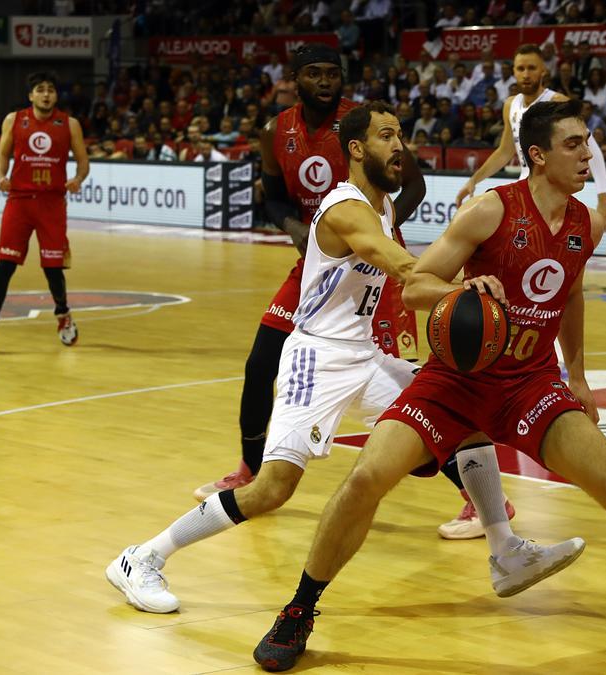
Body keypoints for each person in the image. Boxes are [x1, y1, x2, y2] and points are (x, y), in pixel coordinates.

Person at [250, 99, 606, 671]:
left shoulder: (584, 224)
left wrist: (579, 373)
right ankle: (299, 610)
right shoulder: (489, 210)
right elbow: (419, 285)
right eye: (574, 144)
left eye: (588, 141)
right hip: (457, 381)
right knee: (365, 479)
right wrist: (463, 293)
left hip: (531, 380)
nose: (587, 153)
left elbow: (569, 292)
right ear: (540, 155)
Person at [106, 102, 561, 616]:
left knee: (464, 416)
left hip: (364, 356)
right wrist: (458, 286)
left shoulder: (385, 204)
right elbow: (393, 261)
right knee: (272, 489)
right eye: (387, 136)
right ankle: (142, 557)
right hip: (316, 357)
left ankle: (505, 550)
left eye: (401, 135)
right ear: (356, 148)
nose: (400, 146)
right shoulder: (345, 207)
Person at [192, 46, 498, 540]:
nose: (324, 81)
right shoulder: (281, 132)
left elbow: (408, 194)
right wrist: (302, 226)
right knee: (260, 368)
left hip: (372, 271)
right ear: (296, 80)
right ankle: (245, 475)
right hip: (329, 283)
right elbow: (271, 196)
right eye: (314, 73)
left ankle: (495, 524)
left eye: (332, 73)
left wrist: (387, 233)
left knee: (438, 400)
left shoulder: (368, 131)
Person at [0, 71, 89, 356]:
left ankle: (63, 314)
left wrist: (77, 179)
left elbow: (84, 162)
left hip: (51, 204)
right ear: (31, 95)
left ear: (56, 96)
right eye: (40, 89)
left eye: (51, 89)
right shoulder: (14, 120)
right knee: (4, 266)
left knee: (53, 269)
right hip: (20, 201)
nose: (46, 94)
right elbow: (3, 154)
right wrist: (1, 175)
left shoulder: (70, 124)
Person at [455, 44, 606, 233]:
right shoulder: (510, 104)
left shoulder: (557, 102)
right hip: (525, 186)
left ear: (543, 70)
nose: (525, 74)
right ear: (513, 72)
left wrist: (603, 196)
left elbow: (591, 147)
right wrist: (474, 181)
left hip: (550, 191)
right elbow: (505, 151)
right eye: (520, 68)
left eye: (531, 68)